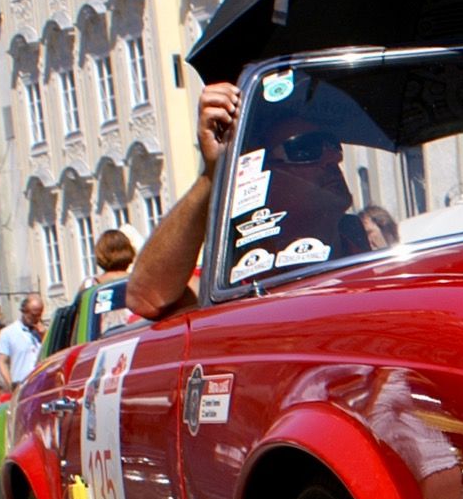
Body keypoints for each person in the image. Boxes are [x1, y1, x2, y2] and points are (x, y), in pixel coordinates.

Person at [129, 83, 364, 321]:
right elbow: (147, 298)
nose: (333, 157)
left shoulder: (368, 248)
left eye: (332, 145)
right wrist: (215, 172)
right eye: (306, 148)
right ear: (262, 175)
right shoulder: (240, 278)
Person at [0, 293, 47, 390]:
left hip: (42, 383)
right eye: (33, 315)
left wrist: (44, 335)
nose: (37, 319)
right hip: (22, 385)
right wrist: (10, 385)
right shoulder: (8, 333)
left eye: (39, 315)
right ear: (24, 312)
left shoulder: (43, 331)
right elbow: (2, 362)